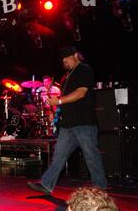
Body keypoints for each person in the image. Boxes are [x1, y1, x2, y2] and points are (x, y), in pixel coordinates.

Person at [27, 46, 107, 195]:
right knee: (59, 156)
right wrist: (55, 112)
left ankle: (100, 187)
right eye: (62, 61)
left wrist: (58, 102)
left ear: (75, 55)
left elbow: (80, 93)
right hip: (68, 123)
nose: (64, 63)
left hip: (83, 122)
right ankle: (46, 184)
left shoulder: (84, 69)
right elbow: (64, 100)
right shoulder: (68, 75)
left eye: (66, 59)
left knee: (91, 155)